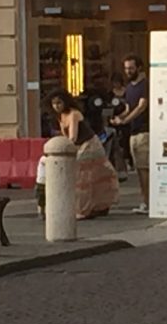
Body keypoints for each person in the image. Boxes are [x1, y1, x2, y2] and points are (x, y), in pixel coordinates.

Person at [46, 88, 118, 220]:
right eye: (54, 103)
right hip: (81, 146)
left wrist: (64, 149)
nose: (56, 106)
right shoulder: (61, 116)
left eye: (59, 103)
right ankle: (96, 207)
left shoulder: (73, 114)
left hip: (89, 145)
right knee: (89, 178)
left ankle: (85, 209)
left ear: (65, 102)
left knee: (83, 178)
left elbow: (73, 137)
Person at [111, 55, 150, 215]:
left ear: (139, 68)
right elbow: (129, 108)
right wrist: (119, 118)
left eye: (131, 68)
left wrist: (125, 120)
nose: (128, 71)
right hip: (133, 132)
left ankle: (148, 202)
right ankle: (145, 200)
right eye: (126, 68)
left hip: (144, 131)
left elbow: (141, 106)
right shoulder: (129, 88)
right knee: (140, 169)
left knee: (145, 168)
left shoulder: (145, 85)